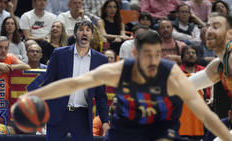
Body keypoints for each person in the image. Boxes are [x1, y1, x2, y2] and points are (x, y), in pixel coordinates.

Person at [25, 29, 232, 141]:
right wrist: (36, 95)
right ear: (135, 54)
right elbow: (72, 83)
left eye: (157, 55)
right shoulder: (116, 71)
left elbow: (206, 115)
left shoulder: (171, 75)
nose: (152, 61)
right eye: (147, 55)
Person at [42, 21, 109, 141]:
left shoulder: (100, 60)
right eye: (81, 30)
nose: (85, 33)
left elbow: (101, 95)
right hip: (59, 113)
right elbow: (47, 84)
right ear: (74, 34)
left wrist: (105, 120)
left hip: (82, 116)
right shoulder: (59, 54)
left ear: (92, 36)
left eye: (88, 30)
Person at [188, 12, 232, 102]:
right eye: (208, 27)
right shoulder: (218, 66)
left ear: (230, 33)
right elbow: (186, 86)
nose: (209, 31)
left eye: (215, 27)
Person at [179, 45, 208, 140]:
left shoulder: (205, 71)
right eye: (188, 53)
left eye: (193, 53)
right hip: (184, 113)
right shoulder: (177, 72)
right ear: (182, 57)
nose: (191, 55)